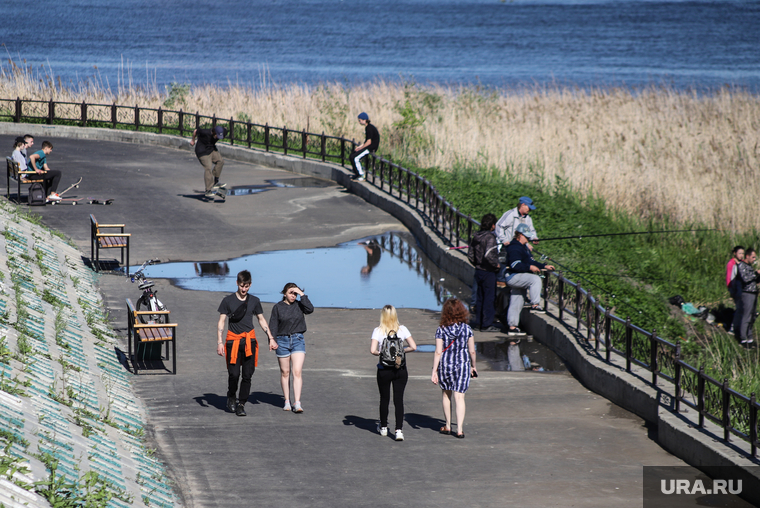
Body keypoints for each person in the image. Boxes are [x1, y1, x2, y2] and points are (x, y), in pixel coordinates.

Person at [216, 270, 275, 416]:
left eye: (247, 286)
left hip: (249, 341)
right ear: (237, 283)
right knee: (234, 374)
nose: (244, 289)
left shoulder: (254, 301)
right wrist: (219, 342)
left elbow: (261, 319)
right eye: (242, 286)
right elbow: (221, 321)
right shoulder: (228, 301)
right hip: (233, 342)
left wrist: (270, 337)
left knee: (247, 375)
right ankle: (231, 395)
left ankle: (241, 403)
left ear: (250, 285)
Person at [369, 305, 417, 441]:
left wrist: (382, 353)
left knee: (384, 398)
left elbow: (373, 350)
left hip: (384, 369)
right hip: (400, 368)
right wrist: (400, 352)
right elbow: (413, 347)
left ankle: (383, 427)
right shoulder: (402, 329)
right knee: (399, 399)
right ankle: (399, 430)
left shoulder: (378, 331)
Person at [431, 298, 477, 438]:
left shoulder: (441, 329)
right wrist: (473, 366)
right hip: (462, 365)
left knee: (446, 394)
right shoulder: (467, 329)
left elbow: (438, 351)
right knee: (460, 396)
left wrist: (434, 371)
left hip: (446, 365)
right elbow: (472, 351)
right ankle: (460, 430)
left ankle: (448, 426)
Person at [269, 283, 314, 413]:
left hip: (297, 340)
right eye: (291, 293)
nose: (293, 296)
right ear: (284, 294)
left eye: (295, 293)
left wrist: (302, 294)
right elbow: (273, 325)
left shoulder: (300, 305)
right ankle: (287, 401)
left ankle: (297, 402)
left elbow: (310, 309)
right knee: (285, 372)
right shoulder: (278, 307)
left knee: (297, 371)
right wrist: (272, 340)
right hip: (282, 341)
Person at [503, 223, 555, 335]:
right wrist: (529, 267)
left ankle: (512, 327)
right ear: (520, 235)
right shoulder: (514, 247)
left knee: (517, 299)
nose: (528, 239)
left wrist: (543, 266)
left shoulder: (523, 247)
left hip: (517, 276)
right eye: (526, 237)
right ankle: (535, 305)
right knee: (535, 279)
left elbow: (530, 261)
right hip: (513, 276)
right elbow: (515, 265)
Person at [468, 213, 501, 332]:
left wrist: (476, 264)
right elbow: (489, 255)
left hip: (478, 271)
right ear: (492, 225)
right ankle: (487, 324)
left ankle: (479, 322)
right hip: (488, 272)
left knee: (480, 297)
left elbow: (470, 254)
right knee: (489, 298)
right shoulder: (490, 237)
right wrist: (496, 265)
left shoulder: (476, 236)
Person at [190, 125, 228, 199]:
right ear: (214, 133)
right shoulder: (205, 132)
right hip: (202, 151)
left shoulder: (222, 132)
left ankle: (215, 182)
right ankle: (208, 190)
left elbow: (225, 129)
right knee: (208, 167)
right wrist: (193, 140)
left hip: (211, 149)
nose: (218, 138)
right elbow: (195, 131)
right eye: (217, 136)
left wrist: (224, 130)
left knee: (220, 161)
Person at [737, 249, 760, 345]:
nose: (754, 259)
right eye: (753, 257)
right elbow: (746, 279)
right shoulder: (742, 265)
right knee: (746, 316)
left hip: (754, 293)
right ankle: (743, 338)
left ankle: (749, 338)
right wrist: (756, 273)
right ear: (747, 256)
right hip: (747, 293)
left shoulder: (750, 267)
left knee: (753, 316)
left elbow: (754, 279)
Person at [349, 112, 379, 182]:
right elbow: (367, 141)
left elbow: (369, 142)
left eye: (359, 120)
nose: (359, 122)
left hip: (371, 147)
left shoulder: (369, 128)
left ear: (363, 120)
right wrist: (359, 147)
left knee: (355, 158)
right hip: (368, 146)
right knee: (352, 155)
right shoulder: (369, 127)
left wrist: (361, 148)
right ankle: (357, 173)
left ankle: (361, 175)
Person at [726, 246, 745, 335]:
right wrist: (731, 289)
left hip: (741, 289)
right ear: (735, 253)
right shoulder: (731, 263)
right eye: (740, 253)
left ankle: (737, 326)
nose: (741, 255)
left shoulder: (742, 263)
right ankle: (734, 328)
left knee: (741, 308)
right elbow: (729, 277)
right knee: (740, 308)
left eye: (742, 253)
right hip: (734, 288)